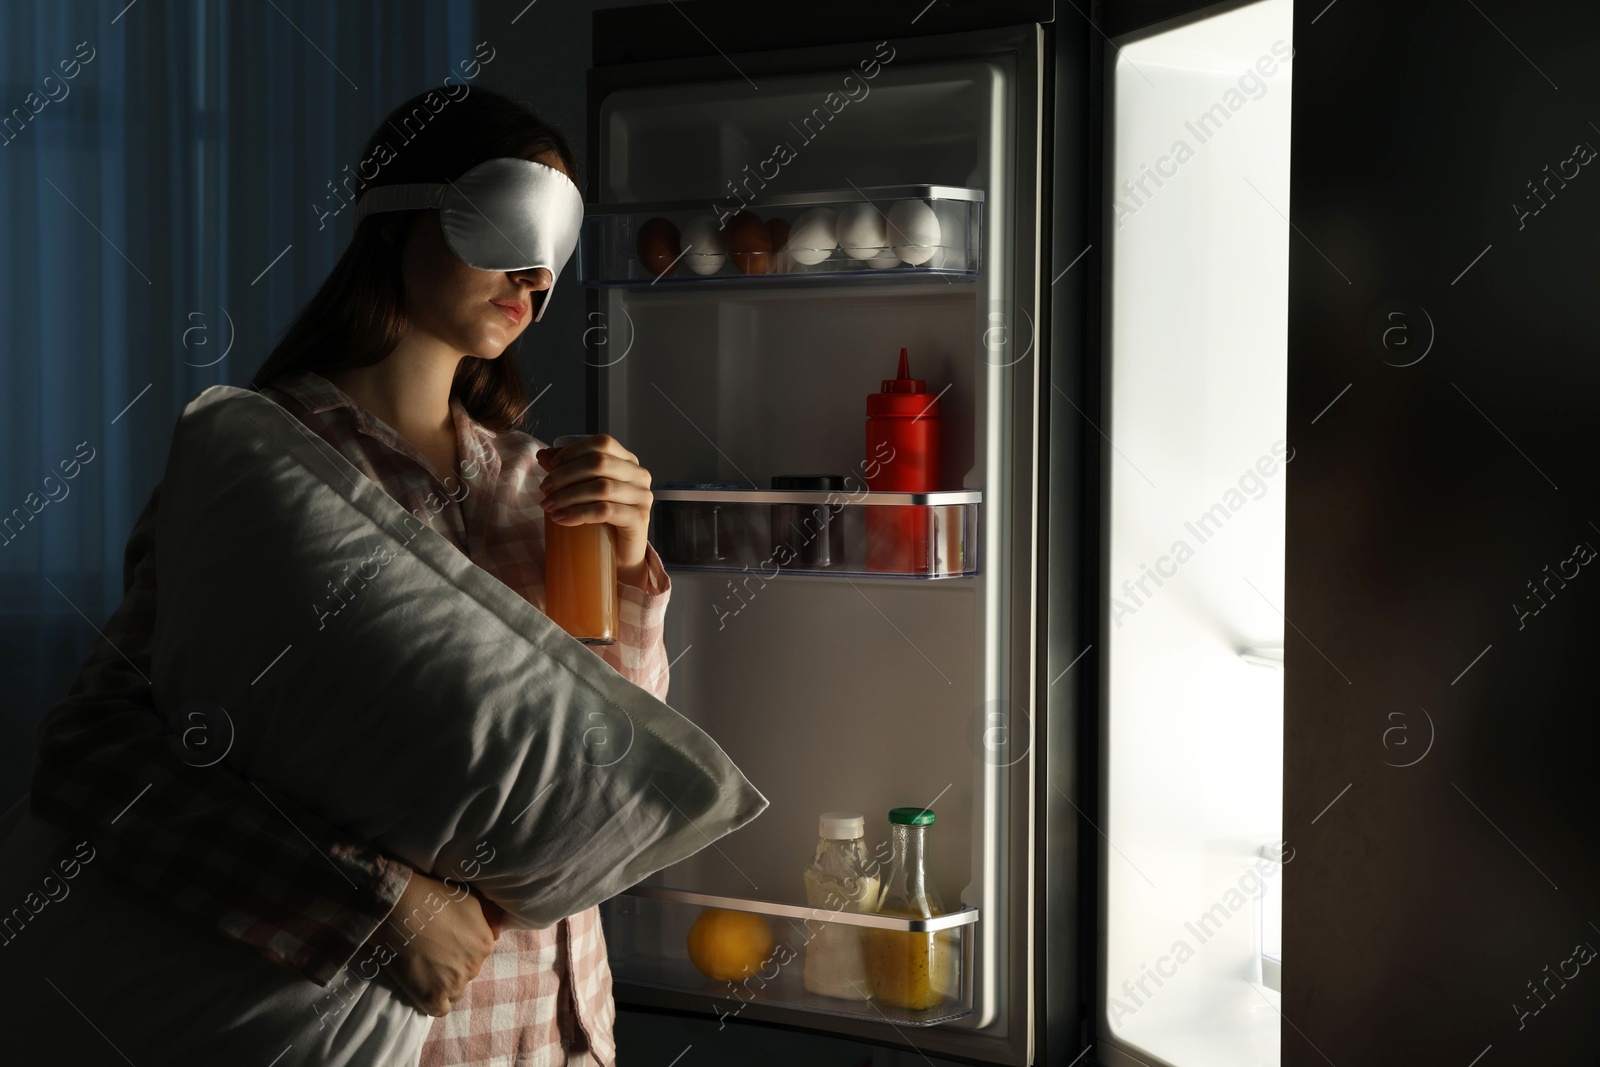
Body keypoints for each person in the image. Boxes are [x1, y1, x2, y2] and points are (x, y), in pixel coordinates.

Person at [26, 87, 666, 1066]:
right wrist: (371, 904)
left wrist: (627, 569)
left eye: (560, 243)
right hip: (401, 1036)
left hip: (567, 1031)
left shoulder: (534, 483)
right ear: (398, 215)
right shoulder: (265, 469)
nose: (537, 273)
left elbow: (603, 769)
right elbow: (97, 753)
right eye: (510, 221)